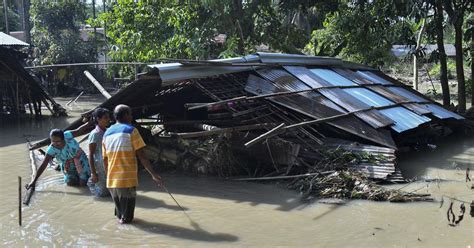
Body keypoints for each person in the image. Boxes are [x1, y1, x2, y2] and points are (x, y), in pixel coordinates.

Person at [102, 104, 162, 224]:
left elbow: (105, 159)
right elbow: (142, 156)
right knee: (127, 218)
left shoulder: (107, 133)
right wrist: (154, 174)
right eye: (130, 113)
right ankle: (125, 239)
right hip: (126, 179)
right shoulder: (131, 130)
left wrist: (108, 177)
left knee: (120, 215)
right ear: (126, 116)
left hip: (112, 180)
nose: (131, 116)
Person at [27, 122, 93, 190]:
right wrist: (33, 181)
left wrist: (89, 123)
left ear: (63, 139)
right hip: (67, 166)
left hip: (81, 161)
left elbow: (79, 130)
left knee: (83, 184)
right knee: (70, 183)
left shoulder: (67, 135)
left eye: (58, 141)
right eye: (53, 141)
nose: (55, 144)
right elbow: (44, 165)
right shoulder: (51, 149)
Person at [87, 108, 111, 197]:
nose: (109, 119)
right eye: (105, 117)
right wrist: (93, 173)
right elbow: (90, 154)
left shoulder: (107, 131)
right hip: (99, 166)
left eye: (108, 117)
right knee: (102, 194)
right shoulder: (95, 134)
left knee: (109, 189)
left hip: (107, 164)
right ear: (98, 119)